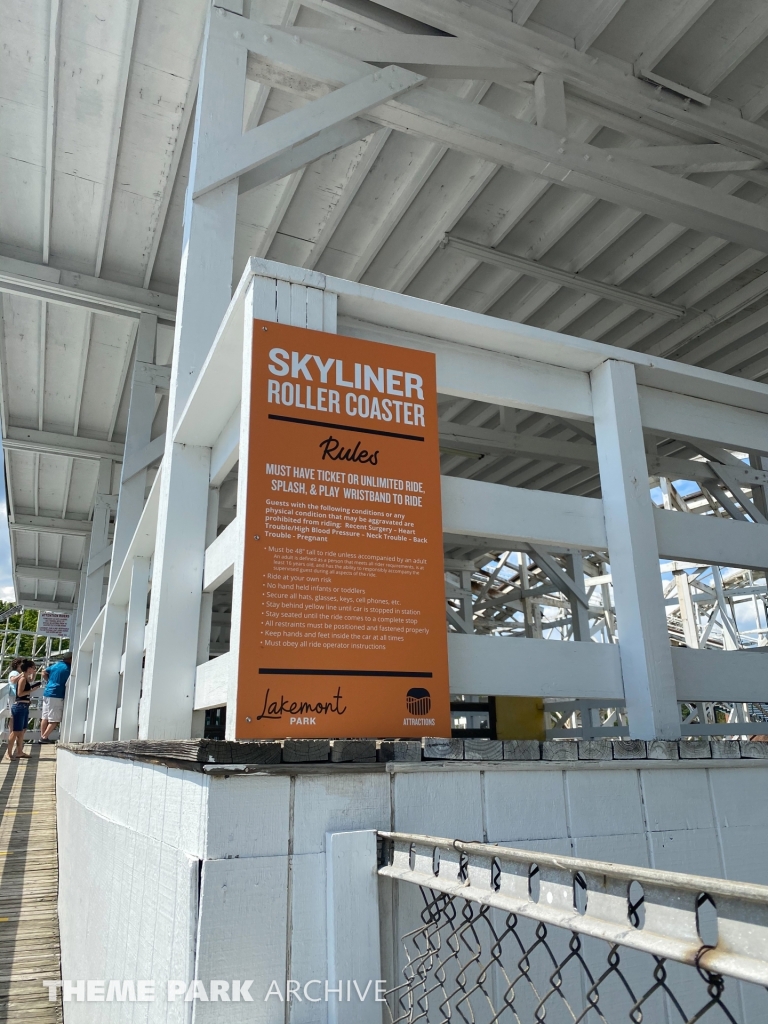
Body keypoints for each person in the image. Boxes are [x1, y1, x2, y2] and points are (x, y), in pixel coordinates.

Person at [7, 660, 41, 760]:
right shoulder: (22, 679)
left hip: (24, 707)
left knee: (22, 731)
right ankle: (8, 753)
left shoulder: (25, 677)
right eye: (33, 668)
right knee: (16, 731)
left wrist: (33, 677)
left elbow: (30, 681)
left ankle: (19, 752)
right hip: (19, 706)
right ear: (28, 668)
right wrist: (31, 690)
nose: (34, 669)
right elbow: (20, 693)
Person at [40, 651, 71, 742]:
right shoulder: (68, 668)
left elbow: (43, 672)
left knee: (45, 717)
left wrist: (49, 681)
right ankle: (44, 737)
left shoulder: (56, 665)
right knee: (55, 720)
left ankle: (43, 737)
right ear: (70, 659)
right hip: (56, 694)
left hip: (47, 692)